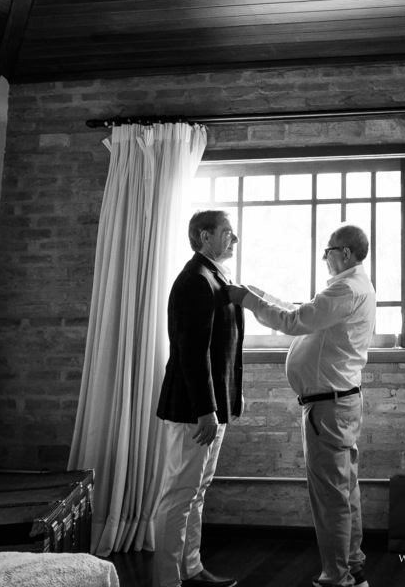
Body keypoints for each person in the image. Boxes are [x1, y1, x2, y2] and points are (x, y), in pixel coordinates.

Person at [227, 224, 376, 587]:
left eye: (329, 251)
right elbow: (304, 313)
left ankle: (337, 578)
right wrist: (257, 294)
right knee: (344, 490)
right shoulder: (353, 285)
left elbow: (294, 321)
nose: (324, 257)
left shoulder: (345, 288)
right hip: (337, 403)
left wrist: (246, 300)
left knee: (330, 497)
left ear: (345, 253)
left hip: (328, 408)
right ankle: (353, 566)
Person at [154, 210, 244, 587]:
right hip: (194, 410)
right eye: (227, 232)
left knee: (197, 490)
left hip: (213, 408)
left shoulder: (215, 276)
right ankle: (166, 580)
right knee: (180, 493)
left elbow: (223, 348)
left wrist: (230, 400)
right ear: (205, 237)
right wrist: (206, 409)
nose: (234, 239)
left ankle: (191, 567)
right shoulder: (195, 280)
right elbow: (192, 352)